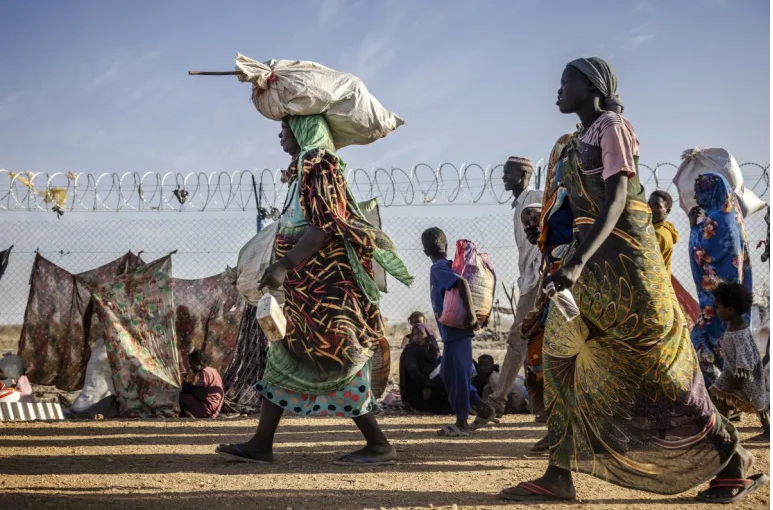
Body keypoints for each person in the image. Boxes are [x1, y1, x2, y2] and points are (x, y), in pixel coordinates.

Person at [502, 57, 763, 504]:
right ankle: (559, 473)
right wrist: (552, 238)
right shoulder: (571, 144)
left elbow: (619, 196)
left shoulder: (612, 128)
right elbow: (572, 207)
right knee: (563, 360)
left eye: (568, 83)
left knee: (660, 371)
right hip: (591, 271)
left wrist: (578, 260)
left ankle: (733, 461)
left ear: (593, 86)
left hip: (628, 270)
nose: (558, 90)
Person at [216, 115, 413, 466]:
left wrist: (283, 264)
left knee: (338, 359)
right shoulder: (303, 170)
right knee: (285, 356)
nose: (279, 135)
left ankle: (379, 444)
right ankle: (261, 444)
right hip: (306, 291)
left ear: (305, 130)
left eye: (286, 128)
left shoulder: (320, 166)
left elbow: (324, 227)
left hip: (327, 292)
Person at [422, 227, 496, 436]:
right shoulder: (447, 265)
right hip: (453, 334)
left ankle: (461, 422)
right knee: (449, 374)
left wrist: (472, 315)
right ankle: (483, 408)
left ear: (425, 250)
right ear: (445, 246)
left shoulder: (438, 268)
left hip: (455, 333)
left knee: (459, 377)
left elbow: (462, 283)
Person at [485, 157, 543, 417]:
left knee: (518, 338)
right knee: (534, 341)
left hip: (539, 276)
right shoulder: (519, 205)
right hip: (530, 278)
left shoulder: (537, 198)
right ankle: (540, 407)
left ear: (522, 174)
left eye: (507, 173)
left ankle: (497, 401)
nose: (503, 178)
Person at [689, 173, 753, 389]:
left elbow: (699, 253)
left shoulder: (714, 220)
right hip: (733, 302)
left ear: (710, 191)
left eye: (699, 192)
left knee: (698, 343)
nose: (696, 198)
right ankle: (728, 397)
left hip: (718, 304)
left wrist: (693, 228)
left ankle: (724, 396)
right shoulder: (735, 218)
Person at [708, 283, 770, 442]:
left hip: (746, 379)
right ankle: (722, 429)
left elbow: (745, 362)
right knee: (716, 393)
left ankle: (768, 430)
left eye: (718, 307)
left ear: (730, 310)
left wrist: (737, 381)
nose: (716, 310)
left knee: (759, 405)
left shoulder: (739, 334)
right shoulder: (734, 326)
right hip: (732, 373)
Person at [399, 323, 450, 414]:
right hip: (418, 391)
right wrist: (425, 385)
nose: (416, 338)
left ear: (427, 334)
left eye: (419, 334)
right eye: (414, 334)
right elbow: (413, 372)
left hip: (434, 387)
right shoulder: (410, 350)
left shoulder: (433, 348)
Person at [179, 350, 224, 419]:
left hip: (207, 410)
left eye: (192, 364)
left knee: (182, 396)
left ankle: (189, 417)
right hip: (214, 410)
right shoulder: (213, 370)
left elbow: (201, 395)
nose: (191, 367)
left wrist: (188, 387)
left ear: (200, 363)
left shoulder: (205, 372)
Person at [648, 190, 679, 274]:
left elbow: (648, 265)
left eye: (657, 206)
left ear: (667, 211)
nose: (651, 209)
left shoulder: (658, 234)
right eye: (649, 204)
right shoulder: (653, 229)